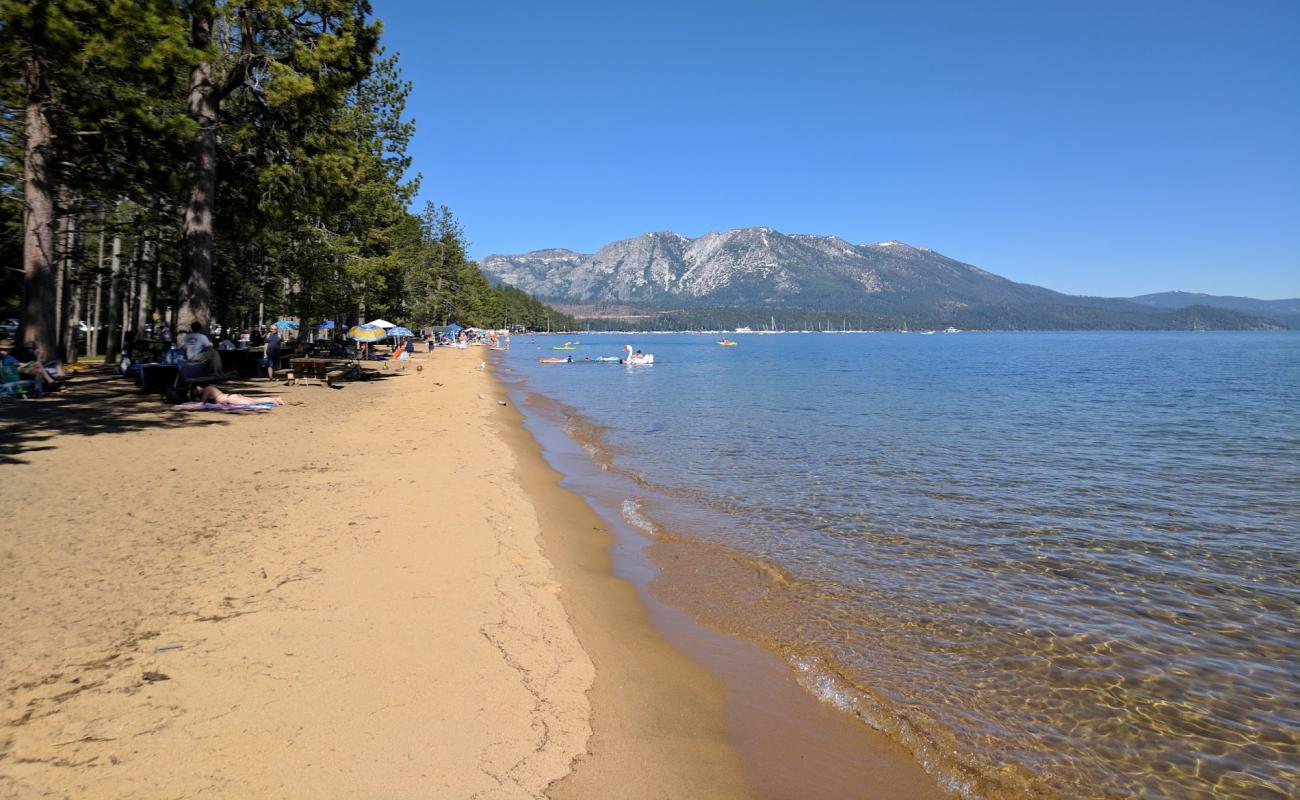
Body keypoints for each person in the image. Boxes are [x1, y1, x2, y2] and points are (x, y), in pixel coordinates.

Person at [195, 385, 285, 406]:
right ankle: (275, 399)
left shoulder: (207, 389)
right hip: (230, 396)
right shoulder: (210, 387)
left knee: (254, 402)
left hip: (229, 399)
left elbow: (202, 402)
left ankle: (273, 400)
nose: (198, 389)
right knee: (254, 400)